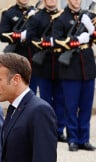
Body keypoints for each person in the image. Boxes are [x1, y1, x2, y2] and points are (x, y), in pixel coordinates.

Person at [53, 0, 96, 152]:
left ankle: (84, 139)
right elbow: (57, 41)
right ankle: (73, 139)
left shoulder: (91, 17)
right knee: (71, 107)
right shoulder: (60, 19)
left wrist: (91, 28)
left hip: (87, 67)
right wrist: (77, 41)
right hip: (70, 69)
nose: (76, 1)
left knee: (86, 106)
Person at [27, 0, 68, 143]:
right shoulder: (37, 17)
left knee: (60, 99)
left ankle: (59, 130)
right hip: (43, 65)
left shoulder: (63, 16)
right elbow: (30, 37)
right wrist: (41, 42)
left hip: (60, 64)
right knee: (45, 100)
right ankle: (46, 130)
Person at [0, 0, 40, 93]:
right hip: (17, 59)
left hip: (33, 59)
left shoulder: (37, 13)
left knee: (32, 91)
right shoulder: (8, 13)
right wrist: (20, 36)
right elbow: (3, 35)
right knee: (17, 91)